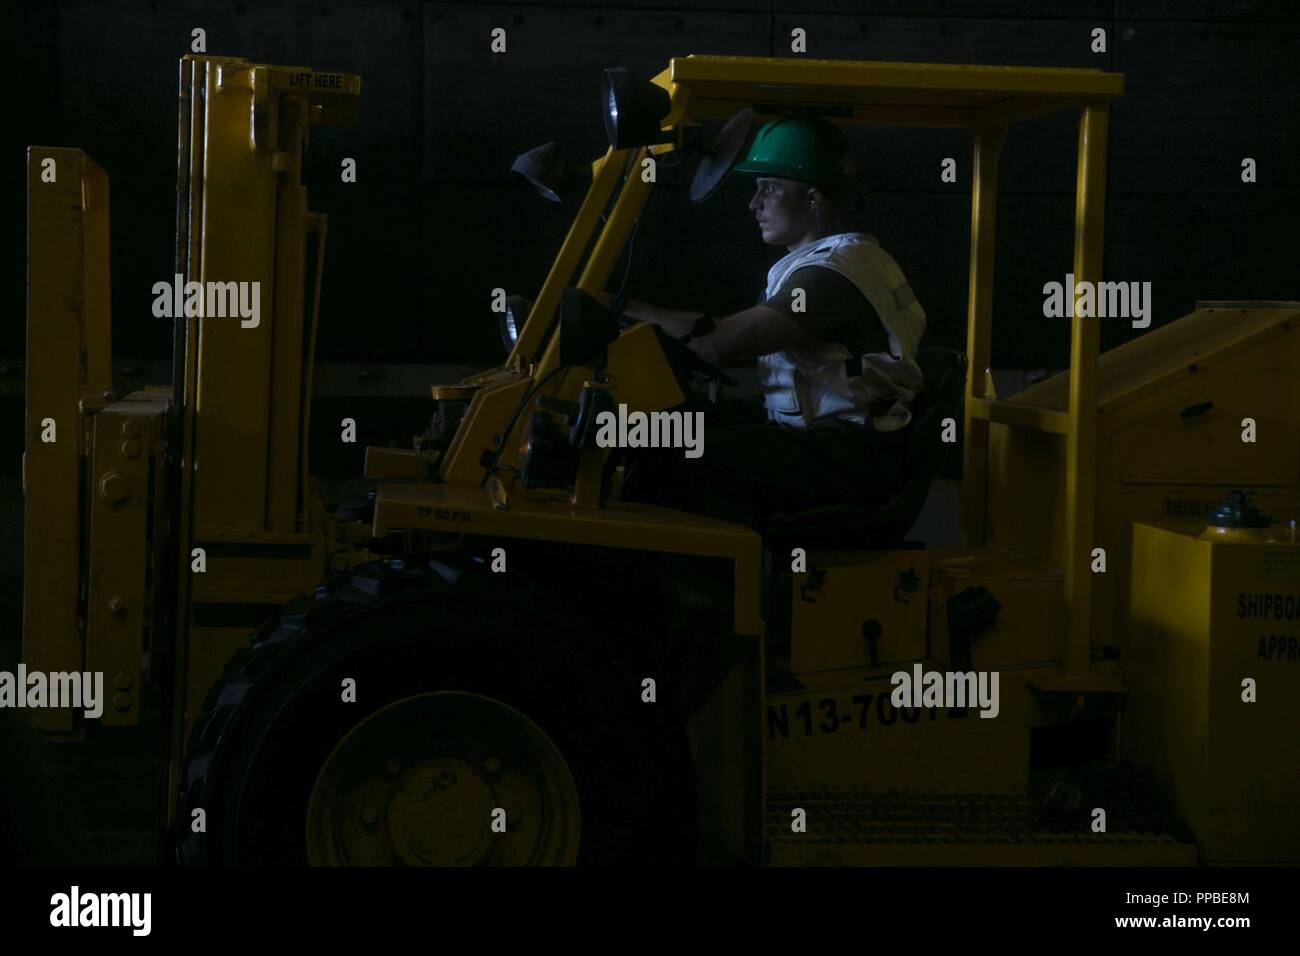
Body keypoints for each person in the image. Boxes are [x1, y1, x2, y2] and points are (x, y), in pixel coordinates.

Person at [615, 116, 927, 531]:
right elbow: (740, 342)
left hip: (848, 454)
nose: (753, 202)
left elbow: (722, 344)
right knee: (656, 430)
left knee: (678, 455)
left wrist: (619, 307)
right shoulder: (819, 263)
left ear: (813, 199)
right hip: (826, 439)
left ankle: (707, 587)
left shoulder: (833, 273)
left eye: (770, 188)